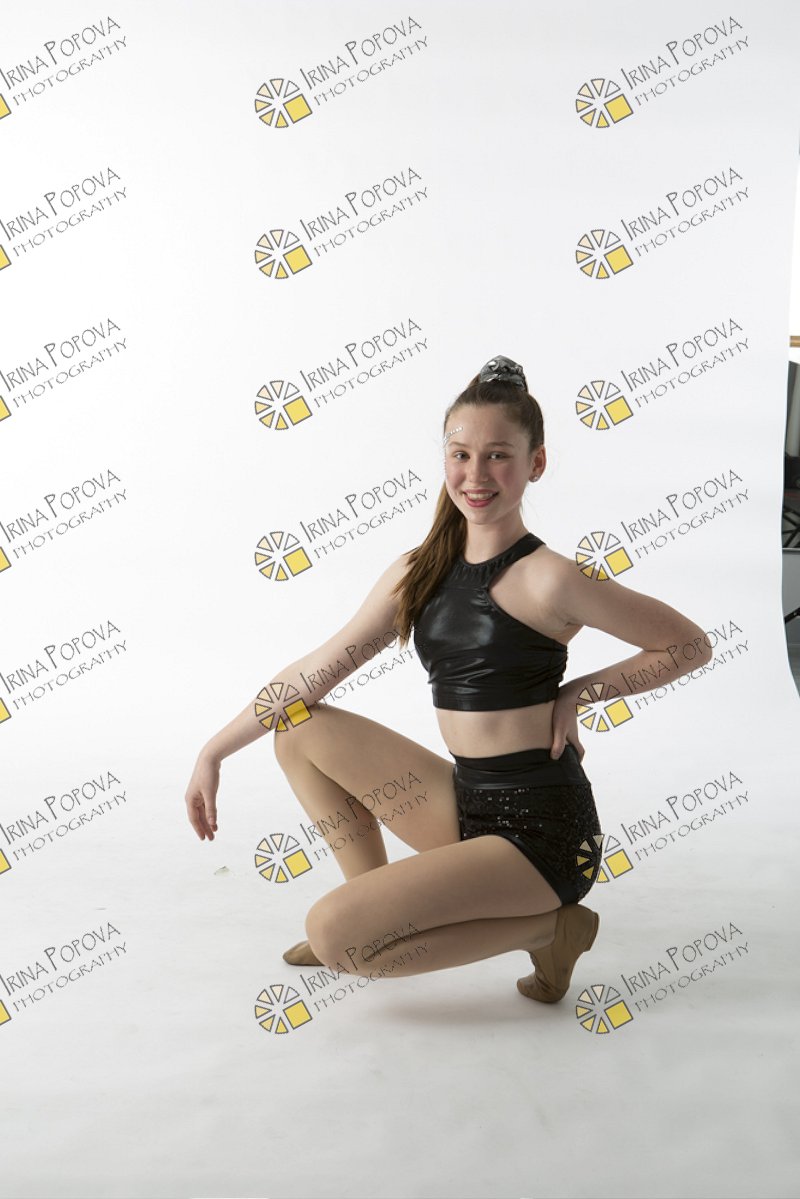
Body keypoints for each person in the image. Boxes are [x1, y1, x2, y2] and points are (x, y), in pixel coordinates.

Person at [184, 354, 713, 1004]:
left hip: (543, 837)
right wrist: (214, 750)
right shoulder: (420, 571)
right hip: (466, 804)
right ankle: (367, 906)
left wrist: (582, 690)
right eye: (461, 455)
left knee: (333, 936)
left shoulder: (551, 578)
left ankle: (550, 928)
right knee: (298, 731)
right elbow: (316, 669)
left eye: (498, 456)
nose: (476, 474)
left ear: (536, 463)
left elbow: (688, 645)